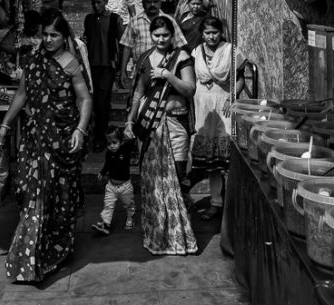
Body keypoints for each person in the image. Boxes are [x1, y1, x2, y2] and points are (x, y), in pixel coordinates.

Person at [0, 10, 93, 283]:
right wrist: (5, 125)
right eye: (45, 35)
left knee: (61, 196)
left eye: (54, 35)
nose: (48, 40)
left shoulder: (70, 63)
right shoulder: (33, 60)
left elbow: (85, 100)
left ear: (64, 37)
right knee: (33, 192)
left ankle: (57, 250)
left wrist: (80, 130)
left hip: (63, 139)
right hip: (36, 137)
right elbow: (22, 94)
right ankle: (31, 256)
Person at [124, 15, 198, 255]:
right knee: (153, 184)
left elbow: (189, 89)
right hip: (149, 127)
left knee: (175, 180)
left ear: (172, 34)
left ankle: (178, 237)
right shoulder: (145, 58)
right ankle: (157, 235)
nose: (161, 39)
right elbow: (138, 92)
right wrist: (130, 119)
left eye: (165, 35)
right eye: (157, 35)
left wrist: (167, 75)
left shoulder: (181, 57)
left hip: (174, 125)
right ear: (151, 34)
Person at [190, 16, 248, 220]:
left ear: (220, 32)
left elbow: (240, 78)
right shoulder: (196, 51)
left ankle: (233, 202)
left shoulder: (231, 51)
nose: (211, 36)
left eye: (215, 32)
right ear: (202, 34)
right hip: (203, 109)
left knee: (227, 158)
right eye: (207, 33)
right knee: (211, 161)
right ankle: (215, 202)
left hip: (224, 105)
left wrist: (233, 97)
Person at [83, 0, 124, 152]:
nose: (96, 5)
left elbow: (121, 44)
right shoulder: (89, 19)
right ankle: (92, 135)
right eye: (94, 2)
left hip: (107, 66)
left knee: (102, 103)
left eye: (99, 2)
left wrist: (121, 68)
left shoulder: (114, 19)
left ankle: (100, 137)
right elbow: (87, 38)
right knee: (91, 102)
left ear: (106, 1)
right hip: (91, 65)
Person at [119, 0, 186, 88]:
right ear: (143, 3)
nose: (152, 5)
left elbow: (180, 45)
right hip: (140, 72)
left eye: (155, 1)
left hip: (165, 72)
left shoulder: (169, 21)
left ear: (160, 2)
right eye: (149, 2)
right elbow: (127, 47)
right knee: (138, 100)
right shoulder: (134, 21)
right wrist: (123, 71)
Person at [92, 127, 135, 236]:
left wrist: (129, 135)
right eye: (109, 144)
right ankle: (106, 225)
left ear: (121, 142)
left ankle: (130, 218)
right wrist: (102, 172)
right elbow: (107, 165)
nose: (111, 146)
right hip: (111, 186)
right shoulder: (109, 153)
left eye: (114, 142)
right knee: (108, 205)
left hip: (125, 186)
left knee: (128, 204)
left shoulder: (125, 150)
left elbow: (131, 142)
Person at [0, 9, 42, 75]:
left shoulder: (43, 31)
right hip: (18, 69)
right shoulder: (18, 29)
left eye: (35, 27)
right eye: (30, 27)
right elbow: (3, 45)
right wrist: (19, 51)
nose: (33, 29)